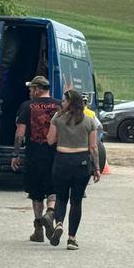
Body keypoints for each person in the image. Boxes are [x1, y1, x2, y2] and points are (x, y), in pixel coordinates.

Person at [46, 89, 99, 250]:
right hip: (81, 162)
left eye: (63, 100)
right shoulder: (89, 120)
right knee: (76, 201)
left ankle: (59, 223)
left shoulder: (57, 118)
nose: (61, 103)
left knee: (61, 198)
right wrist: (97, 167)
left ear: (70, 102)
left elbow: (50, 140)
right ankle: (71, 238)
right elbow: (93, 147)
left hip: (62, 160)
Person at [11, 76, 61, 242]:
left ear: (38, 89)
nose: (30, 91)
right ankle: (50, 213)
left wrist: (15, 154)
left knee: (36, 193)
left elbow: (20, 133)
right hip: (55, 154)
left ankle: (38, 229)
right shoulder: (59, 106)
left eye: (32, 88)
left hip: (34, 154)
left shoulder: (27, 106)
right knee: (53, 189)